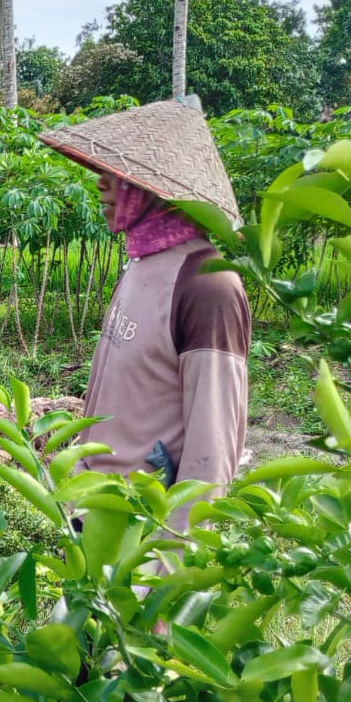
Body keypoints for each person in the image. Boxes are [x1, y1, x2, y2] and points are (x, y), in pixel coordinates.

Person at [38, 98, 251, 535]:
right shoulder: (141, 263)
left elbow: (212, 450)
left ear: (151, 190)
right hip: (93, 512)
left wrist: (169, 569)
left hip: (143, 533)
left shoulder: (208, 286)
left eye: (115, 176)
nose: (100, 185)